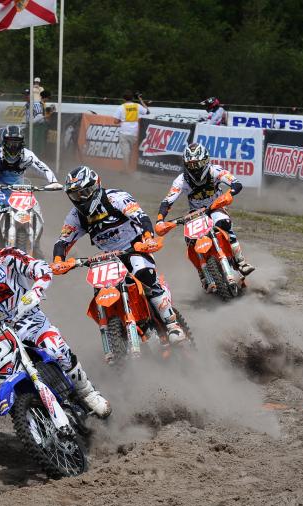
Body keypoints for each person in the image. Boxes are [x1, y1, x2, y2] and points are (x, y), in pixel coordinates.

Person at [0, 222, 111, 418]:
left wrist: (36, 291)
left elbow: (40, 268)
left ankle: (88, 393)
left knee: (57, 349)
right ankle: (28, 417)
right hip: (0, 334)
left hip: (29, 319)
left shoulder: (6, 257)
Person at [50, 166, 187, 343]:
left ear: (95, 187)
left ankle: (172, 324)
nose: (80, 199)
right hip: (109, 258)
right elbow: (63, 241)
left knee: (143, 273)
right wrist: (58, 261)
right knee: (100, 289)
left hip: (135, 247)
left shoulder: (116, 198)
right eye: (75, 195)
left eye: (84, 193)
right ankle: (117, 333)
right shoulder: (76, 216)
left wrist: (148, 238)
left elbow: (141, 217)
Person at [155, 142, 255, 284]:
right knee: (190, 239)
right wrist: (160, 220)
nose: (194, 168)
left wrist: (229, 194)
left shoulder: (215, 171)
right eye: (190, 165)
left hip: (215, 207)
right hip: (195, 213)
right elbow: (167, 201)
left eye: (197, 164)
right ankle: (202, 273)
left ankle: (240, 261)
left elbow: (236, 183)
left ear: (206, 161)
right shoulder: (181, 180)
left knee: (223, 223)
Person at [0, 124, 62, 250]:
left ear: (22, 143)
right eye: (10, 143)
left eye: (17, 143)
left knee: (35, 209)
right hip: (0, 189)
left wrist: (53, 181)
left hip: (21, 190)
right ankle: (0, 245)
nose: (14, 146)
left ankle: (36, 245)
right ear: (4, 142)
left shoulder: (27, 155)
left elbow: (42, 167)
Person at [115, 90, 149, 174]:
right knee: (129, 152)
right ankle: (128, 169)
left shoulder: (121, 107)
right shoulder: (137, 106)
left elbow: (115, 121)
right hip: (134, 133)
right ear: (133, 98)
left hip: (124, 132)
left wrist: (121, 120)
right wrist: (140, 99)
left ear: (124, 99)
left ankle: (126, 169)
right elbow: (147, 111)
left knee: (126, 152)